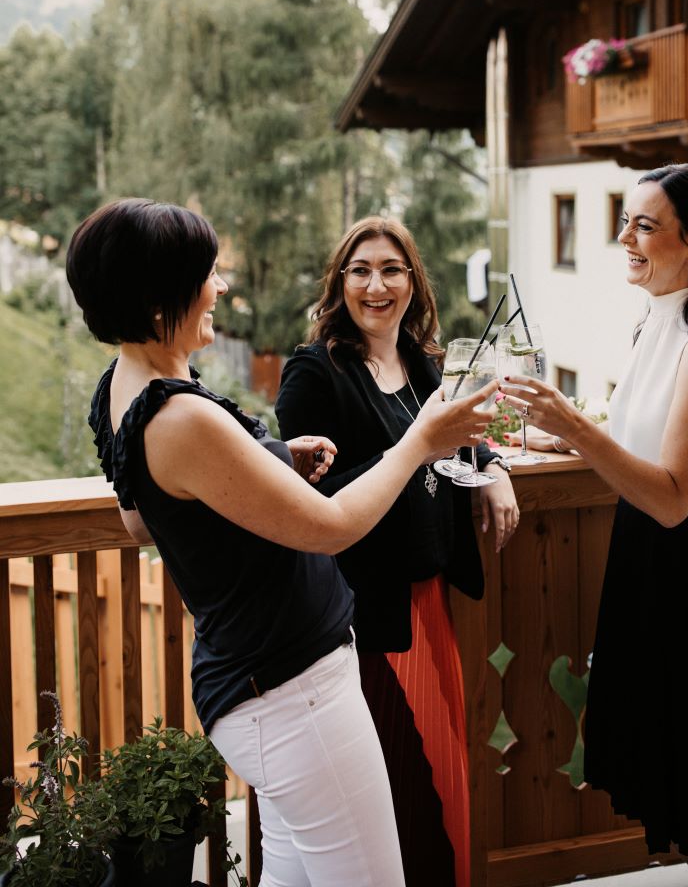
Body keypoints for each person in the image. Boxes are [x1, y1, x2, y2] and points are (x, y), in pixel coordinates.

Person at [66, 198, 498, 887]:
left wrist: (262, 463)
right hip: (292, 692)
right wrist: (421, 442)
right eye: (209, 274)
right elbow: (331, 528)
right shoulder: (179, 416)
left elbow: (144, 519)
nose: (222, 288)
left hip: (263, 684)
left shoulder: (126, 385)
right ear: (158, 301)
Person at [502, 164, 688, 887]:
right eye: (626, 219)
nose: (625, 236)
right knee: (681, 775)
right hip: (646, 565)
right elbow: (644, 441)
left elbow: (677, 494)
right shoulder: (661, 316)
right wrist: (553, 436)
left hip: (687, 572)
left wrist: (570, 423)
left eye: (644, 225)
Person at [275, 216, 519, 887]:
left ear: (413, 281)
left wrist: (492, 467)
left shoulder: (425, 362)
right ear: (339, 284)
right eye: (360, 271)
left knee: (443, 782)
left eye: (391, 270)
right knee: (398, 793)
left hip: (430, 603)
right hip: (363, 618)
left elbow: (467, 431)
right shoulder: (315, 370)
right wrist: (411, 450)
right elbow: (307, 503)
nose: (376, 285)